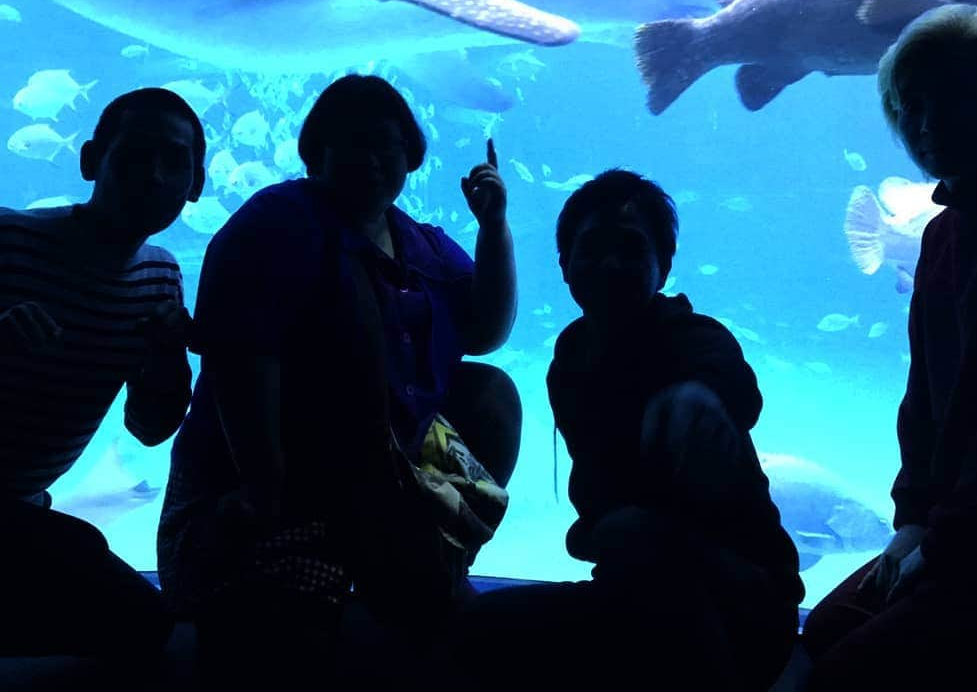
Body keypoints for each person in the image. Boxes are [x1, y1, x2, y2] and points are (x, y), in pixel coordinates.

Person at [157, 73, 521, 689]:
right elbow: (243, 358)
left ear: (412, 156)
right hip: (279, 488)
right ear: (316, 152)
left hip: (381, 475)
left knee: (489, 394)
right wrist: (261, 490)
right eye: (354, 143)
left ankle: (429, 566)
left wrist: (493, 228)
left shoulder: (416, 241)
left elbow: (484, 331)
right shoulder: (276, 224)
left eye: (389, 146)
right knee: (291, 649)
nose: (374, 161)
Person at [803, 5, 977, 691]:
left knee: (847, 672)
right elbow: (923, 402)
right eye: (911, 105)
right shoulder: (943, 233)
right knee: (825, 629)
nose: (926, 126)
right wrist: (910, 522)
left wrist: (943, 542)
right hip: (959, 533)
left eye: (951, 101)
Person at [454, 169, 804, 690]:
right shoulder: (570, 356)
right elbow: (597, 500)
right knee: (479, 630)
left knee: (636, 547)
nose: (611, 264)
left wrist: (699, 398)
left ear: (663, 269)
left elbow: (730, 378)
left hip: (742, 597)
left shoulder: (691, 336)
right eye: (592, 247)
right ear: (564, 265)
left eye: (633, 249)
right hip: (632, 589)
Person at [0, 88, 205, 666]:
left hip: (22, 505)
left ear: (197, 183)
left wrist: (166, 360)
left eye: (175, 161)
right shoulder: (10, 242)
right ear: (92, 160)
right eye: (135, 155)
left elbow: (149, 428)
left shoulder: (160, 276)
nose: (155, 176)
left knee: (136, 620)